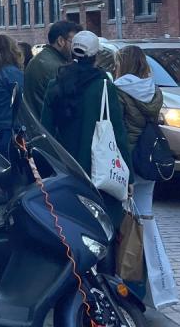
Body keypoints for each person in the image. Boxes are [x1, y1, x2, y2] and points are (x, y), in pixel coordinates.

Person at [40, 30, 133, 229]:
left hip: (65, 168)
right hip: (98, 169)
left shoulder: (55, 85)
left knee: (70, 223)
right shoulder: (103, 87)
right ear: (95, 56)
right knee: (102, 225)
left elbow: (44, 131)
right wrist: (129, 176)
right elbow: (118, 134)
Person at [113, 46, 178, 309]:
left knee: (126, 223)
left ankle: (127, 280)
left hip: (126, 160)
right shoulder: (154, 90)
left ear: (123, 64)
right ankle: (156, 284)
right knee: (146, 220)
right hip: (148, 159)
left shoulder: (116, 89)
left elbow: (117, 125)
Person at [24, 20, 77, 117]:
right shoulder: (57, 68)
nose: (76, 47)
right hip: (45, 129)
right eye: (73, 42)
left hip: (35, 125)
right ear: (61, 41)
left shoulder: (40, 58)